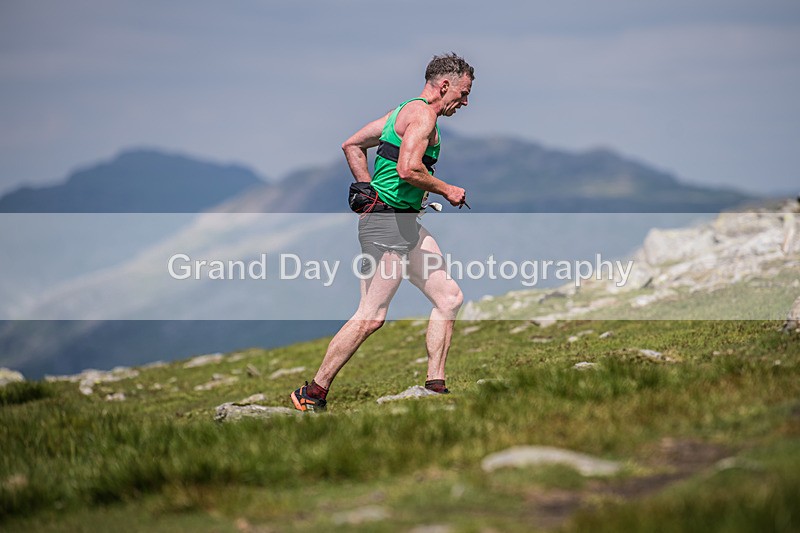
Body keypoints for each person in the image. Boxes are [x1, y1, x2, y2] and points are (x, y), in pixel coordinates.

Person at [291, 53, 475, 411]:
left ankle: (435, 386)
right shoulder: (423, 116)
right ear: (444, 86)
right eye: (464, 93)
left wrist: (367, 189)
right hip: (386, 224)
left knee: (449, 298)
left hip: (402, 222)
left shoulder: (402, 112)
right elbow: (408, 170)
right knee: (371, 316)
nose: (465, 102)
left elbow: (352, 144)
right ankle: (312, 392)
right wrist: (447, 189)